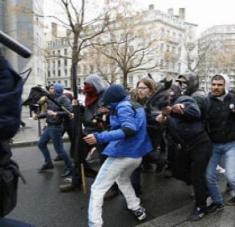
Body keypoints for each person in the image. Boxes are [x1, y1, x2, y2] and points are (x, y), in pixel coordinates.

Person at [84, 84, 153, 227]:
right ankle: (136, 207)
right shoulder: (134, 105)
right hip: (136, 155)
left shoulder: (122, 106)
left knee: (97, 188)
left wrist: (99, 137)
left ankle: (94, 224)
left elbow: (129, 129)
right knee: (122, 180)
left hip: (122, 154)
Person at [156, 92, 212, 221]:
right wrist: (163, 121)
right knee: (178, 171)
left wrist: (181, 109)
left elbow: (195, 112)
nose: (164, 109)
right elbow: (169, 134)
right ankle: (202, 189)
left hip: (201, 143)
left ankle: (201, 206)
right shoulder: (167, 115)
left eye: (165, 106)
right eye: (162, 108)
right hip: (186, 147)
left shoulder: (184, 100)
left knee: (197, 174)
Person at [59, 73, 108, 192]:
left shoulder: (105, 96)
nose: (86, 89)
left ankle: (110, 187)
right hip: (89, 130)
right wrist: (78, 109)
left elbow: (103, 112)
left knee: (105, 160)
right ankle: (77, 182)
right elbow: (86, 112)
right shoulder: (89, 96)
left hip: (102, 131)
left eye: (89, 86)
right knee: (78, 155)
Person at [206, 74, 235, 213]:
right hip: (214, 145)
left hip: (231, 144)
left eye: (220, 84)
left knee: (231, 177)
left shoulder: (233, 98)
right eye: (214, 84)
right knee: (209, 176)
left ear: (226, 85)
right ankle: (218, 202)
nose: (216, 87)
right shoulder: (207, 101)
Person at [34, 83, 73, 177]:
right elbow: (48, 113)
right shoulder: (50, 99)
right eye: (50, 88)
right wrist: (39, 116)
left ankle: (70, 168)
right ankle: (48, 163)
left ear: (57, 90)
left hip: (56, 127)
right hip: (49, 126)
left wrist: (56, 113)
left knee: (59, 150)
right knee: (41, 144)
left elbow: (69, 112)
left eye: (52, 88)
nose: (50, 90)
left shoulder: (63, 98)